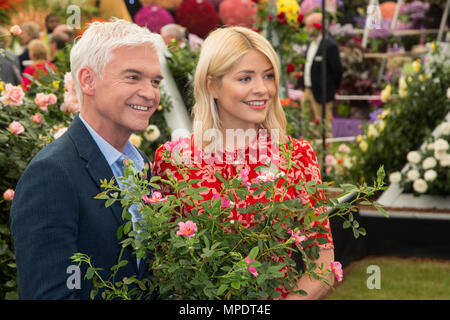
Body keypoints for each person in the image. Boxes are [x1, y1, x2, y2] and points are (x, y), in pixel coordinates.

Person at [152, 26, 335, 300]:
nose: (262, 89)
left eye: (268, 76)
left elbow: (323, 263)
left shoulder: (296, 157)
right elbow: (165, 267)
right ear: (212, 85)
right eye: (245, 78)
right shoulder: (173, 161)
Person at [10, 18, 165, 299]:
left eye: (155, 81)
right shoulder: (52, 175)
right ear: (88, 80)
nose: (150, 93)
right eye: (133, 77)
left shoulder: (140, 164)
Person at [302, 12, 342, 137]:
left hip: (322, 94)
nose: (306, 30)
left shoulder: (329, 45)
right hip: (308, 91)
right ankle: (308, 154)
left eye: (308, 26)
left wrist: (329, 90)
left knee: (323, 129)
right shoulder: (311, 44)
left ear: (318, 26)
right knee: (307, 125)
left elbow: (338, 71)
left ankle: (326, 156)